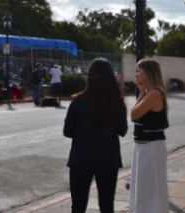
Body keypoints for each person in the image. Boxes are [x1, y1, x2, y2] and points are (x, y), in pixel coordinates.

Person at [63, 58, 128, 213]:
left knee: (78, 206)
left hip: (82, 159)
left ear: (89, 76)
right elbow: (123, 131)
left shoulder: (78, 101)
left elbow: (67, 131)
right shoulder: (117, 101)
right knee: (106, 206)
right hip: (108, 159)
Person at [129, 58, 170, 213]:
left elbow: (133, 114)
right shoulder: (152, 92)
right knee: (149, 187)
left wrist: (141, 93)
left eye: (139, 70)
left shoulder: (154, 93)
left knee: (147, 188)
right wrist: (141, 92)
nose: (137, 74)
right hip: (146, 145)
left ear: (148, 73)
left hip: (150, 146)